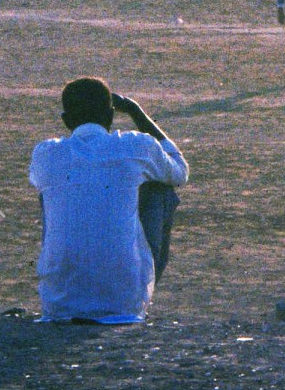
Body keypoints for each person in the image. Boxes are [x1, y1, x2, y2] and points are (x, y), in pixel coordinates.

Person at [30, 77, 188, 324]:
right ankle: (143, 291)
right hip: (122, 302)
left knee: (56, 192)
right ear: (112, 115)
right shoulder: (137, 145)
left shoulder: (45, 153)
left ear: (66, 120)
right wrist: (137, 112)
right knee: (161, 189)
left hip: (58, 302)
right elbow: (180, 171)